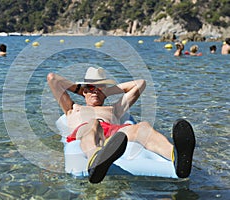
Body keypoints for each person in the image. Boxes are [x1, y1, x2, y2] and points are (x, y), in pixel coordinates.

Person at [47, 67, 195, 183]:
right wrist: (83, 90)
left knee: (142, 126)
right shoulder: (72, 108)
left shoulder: (114, 109)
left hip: (114, 133)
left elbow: (140, 83)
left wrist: (106, 91)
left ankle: (177, 157)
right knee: (94, 124)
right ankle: (95, 161)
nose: (95, 92)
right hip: (86, 130)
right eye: (91, 88)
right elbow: (52, 78)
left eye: (100, 88)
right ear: (84, 90)